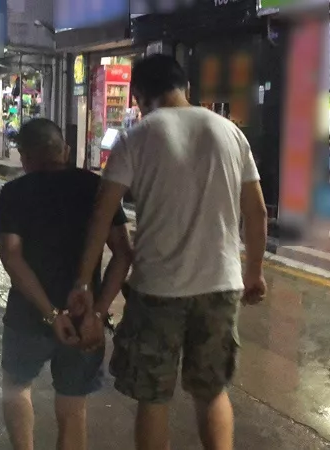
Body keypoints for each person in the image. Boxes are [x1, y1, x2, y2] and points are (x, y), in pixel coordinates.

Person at [69, 54, 268, 450]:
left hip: (157, 289)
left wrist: (83, 282)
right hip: (220, 286)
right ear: (185, 88)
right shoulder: (230, 132)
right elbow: (258, 212)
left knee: (154, 398)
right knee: (211, 391)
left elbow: (101, 216)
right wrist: (254, 273)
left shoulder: (135, 138)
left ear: (140, 97)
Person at [0, 118, 133, 450]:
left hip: (27, 315)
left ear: (25, 156)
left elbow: (11, 254)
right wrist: (97, 313)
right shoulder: (95, 187)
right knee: (72, 406)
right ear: (65, 151)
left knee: (16, 387)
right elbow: (123, 253)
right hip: (83, 318)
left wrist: (50, 313)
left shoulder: (15, 192)